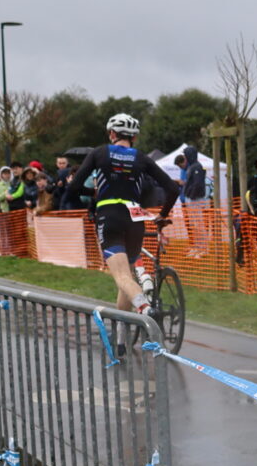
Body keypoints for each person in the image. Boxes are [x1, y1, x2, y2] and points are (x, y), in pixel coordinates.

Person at [75, 112, 180, 317]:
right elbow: (173, 189)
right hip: (134, 219)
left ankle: (146, 309)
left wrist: (93, 193)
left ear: (112, 134)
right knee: (127, 277)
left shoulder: (99, 153)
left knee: (122, 277)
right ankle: (123, 332)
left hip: (109, 217)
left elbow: (74, 187)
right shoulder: (141, 157)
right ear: (134, 137)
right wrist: (162, 215)